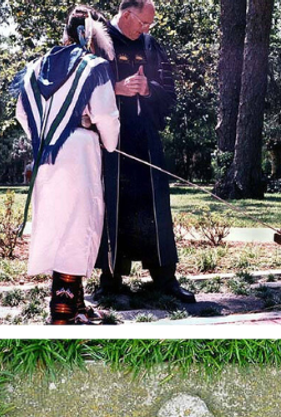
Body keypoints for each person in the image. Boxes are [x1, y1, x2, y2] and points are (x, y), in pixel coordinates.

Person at [13, 5, 120, 324]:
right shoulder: (92, 67)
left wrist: (47, 134)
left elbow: (22, 113)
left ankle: (77, 305)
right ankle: (62, 315)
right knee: (77, 227)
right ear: (91, 36)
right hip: (79, 150)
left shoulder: (35, 68)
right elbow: (106, 115)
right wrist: (108, 140)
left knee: (61, 224)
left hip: (47, 153)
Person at [94, 0, 196, 303]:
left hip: (146, 137)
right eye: (144, 22)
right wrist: (117, 88)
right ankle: (110, 283)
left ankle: (164, 279)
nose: (147, 29)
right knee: (115, 206)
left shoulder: (151, 45)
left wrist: (147, 88)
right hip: (111, 141)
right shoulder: (98, 40)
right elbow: (81, 89)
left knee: (156, 208)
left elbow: (170, 91)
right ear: (127, 15)